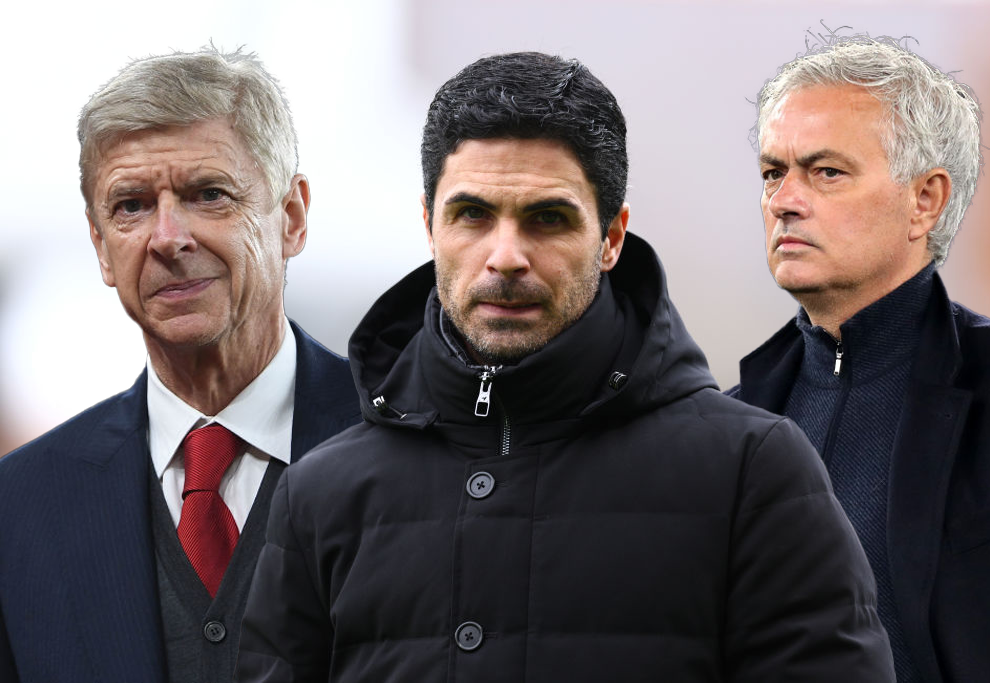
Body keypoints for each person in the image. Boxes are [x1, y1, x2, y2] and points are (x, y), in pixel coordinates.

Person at [236, 51, 895, 682]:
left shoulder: (753, 474)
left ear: (610, 237)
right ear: (429, 226)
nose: (505, 256)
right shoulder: (321, 495)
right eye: (472, 215)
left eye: (547, 219)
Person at [0, 47, 362, 683]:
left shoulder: (426, 456)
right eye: (131, 206)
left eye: (208, 194)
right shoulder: (19, 507)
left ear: (292, 219)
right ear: (102, 249)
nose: (167, 238)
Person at [727, 33, 990, 682]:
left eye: (826, 171)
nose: (784, 200)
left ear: (926, 200)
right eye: (773, 173)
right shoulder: (726, 422)